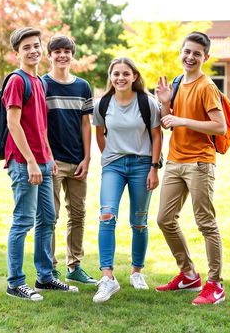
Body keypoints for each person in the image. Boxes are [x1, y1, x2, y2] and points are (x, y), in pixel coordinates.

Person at [2, 27, 78, 301]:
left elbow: (40, 125)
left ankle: (45, 277)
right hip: (24, 163)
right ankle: (15, 283)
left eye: (36, 45)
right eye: (27, 47)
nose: (33, 50)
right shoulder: (17, 81)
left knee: (47, 219)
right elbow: (13, 123)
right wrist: (33, 162)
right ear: (17, 53)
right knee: (22, 222)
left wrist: (48, 158)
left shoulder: (39, 82)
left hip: (44, 162)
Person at [155, 31, 226, 305]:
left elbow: (218, 126)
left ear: (205, 58)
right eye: (187, 51)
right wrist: (164, 103)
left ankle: (215, 284)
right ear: (181, 52)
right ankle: (188, 274)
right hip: (174, 161)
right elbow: (168, 122)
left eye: (197, 53)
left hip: (199, 163)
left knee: (205, 223)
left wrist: (182, 119)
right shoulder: (177, 83)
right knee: (164, 219)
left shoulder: (206, 86)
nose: (190, 57)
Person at [92, 57, 162, 302]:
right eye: (115, 74)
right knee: (106, 215)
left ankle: (136, 272)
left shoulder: (147, 102)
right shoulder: (102, 104)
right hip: (113, 166)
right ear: (110, 77)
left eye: (125, 73)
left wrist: (154, 168)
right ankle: (107, 278)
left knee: (139, 222)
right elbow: (99, 134)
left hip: (143, 165)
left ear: (134, 76)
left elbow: (156, 135)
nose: (120, 78)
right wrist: (110, 156)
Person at [43, 35, 96, 284]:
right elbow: (39, 125)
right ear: (49, 55)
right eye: (57, 51)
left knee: (78, 214)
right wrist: (48, 157)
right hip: (52, 161)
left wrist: (87, 157)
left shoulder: (83, 86)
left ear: (72, 55)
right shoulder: (42, 84)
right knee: (49, 215)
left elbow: (86, 124)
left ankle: (74, 267)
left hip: (77, 161)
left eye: (67, 51)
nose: (62, 55)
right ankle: (49, 269)